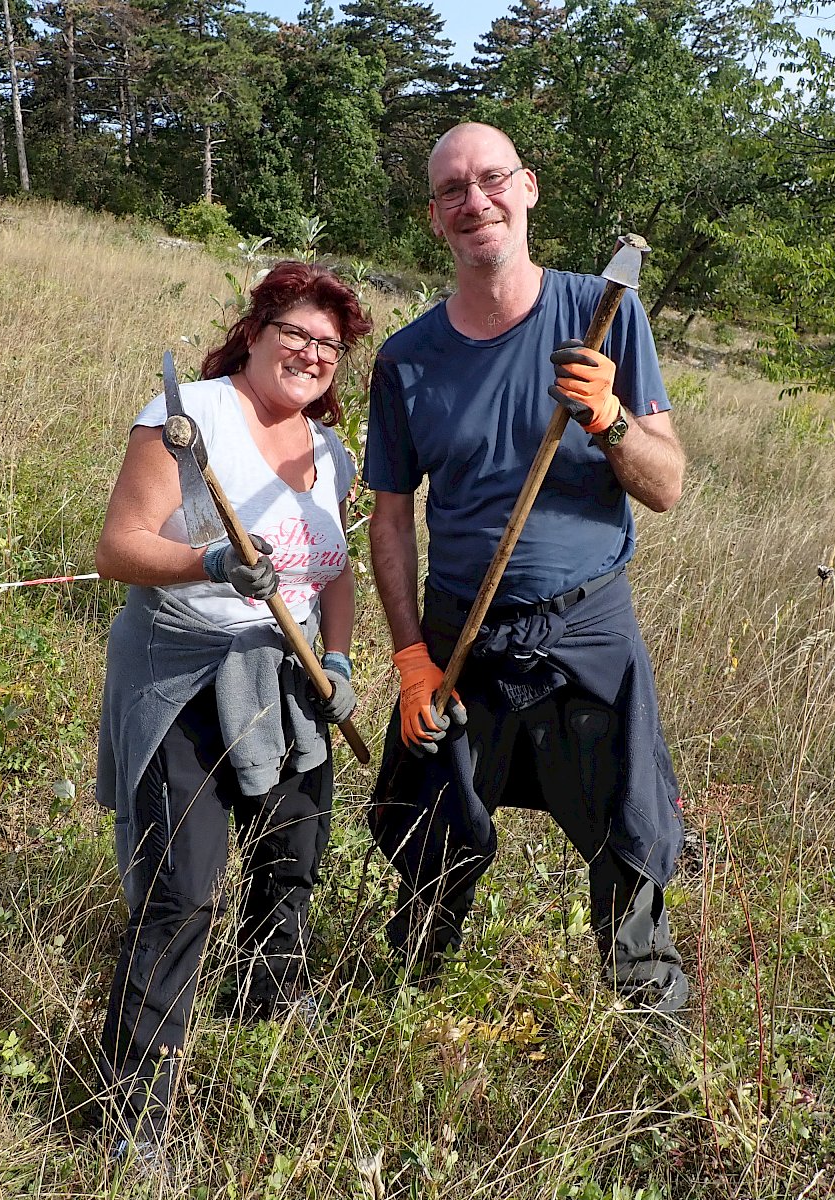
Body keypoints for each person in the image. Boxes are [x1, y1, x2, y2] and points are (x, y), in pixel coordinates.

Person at [363, 122, 689, 1011]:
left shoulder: (603, 316)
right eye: (453, 191)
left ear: (529, 187)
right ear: (435, 217)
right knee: (432, 832)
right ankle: (404, 1002)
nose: (476, 202)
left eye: (492, 179)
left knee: (628, 836)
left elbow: (665, 486)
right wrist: (409, 657)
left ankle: (648, 1030)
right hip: (459, 634)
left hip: (587, 628)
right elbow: (390, 520)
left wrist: (609, 419)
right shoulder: (406, 360)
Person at [88, 261, 372, 1146]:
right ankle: (134, 1110)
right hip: (185, 676)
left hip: (287, 679)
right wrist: (209, 562)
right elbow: (118, 548)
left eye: (330, 346)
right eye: (297, 333)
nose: (312, 354)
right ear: (254, 333)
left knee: (293, 854)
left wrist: (336, 656)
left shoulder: (331, 454)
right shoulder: (192, 419)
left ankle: (266, 998)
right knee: (181, 890)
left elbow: (336, 569)